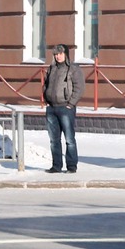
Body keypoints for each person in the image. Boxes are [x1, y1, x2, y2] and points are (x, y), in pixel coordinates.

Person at [43, 44, 85, 174]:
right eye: (56, 54)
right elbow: (46, 84)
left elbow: (79, 88)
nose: (58, 56)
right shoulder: (52, 68)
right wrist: (46, 100)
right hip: (52, 108)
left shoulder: (73, 69)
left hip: (66, 108)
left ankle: (71, 166)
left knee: (69, 139)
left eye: (60, 54)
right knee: (54, 140)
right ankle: (56, 166)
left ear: (66, 54)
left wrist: (71, 103)